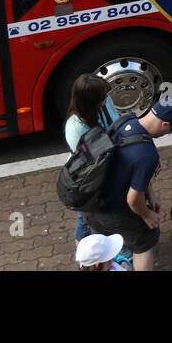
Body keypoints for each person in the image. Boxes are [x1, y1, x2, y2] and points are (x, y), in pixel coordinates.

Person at [84, 100, 172, 272]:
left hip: (91, 203)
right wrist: (147, 216)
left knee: (102, 254)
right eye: (170, 129)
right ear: (164, 124)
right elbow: (133, 199)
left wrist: (150, 194)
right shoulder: (148, 154)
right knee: (144, 240)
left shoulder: (125, 121)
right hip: (113, 211)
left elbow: (131, 168)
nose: (168, 133)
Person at [64, 73, 119, 244]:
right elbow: (89, 161)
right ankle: (84, 255)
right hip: (92, 176)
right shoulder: (75, 127)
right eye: (102, 97)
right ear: (89, 101)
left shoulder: (104, 102)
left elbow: (117, 122)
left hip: (110, 166)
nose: (107, 99)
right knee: (87, 216)